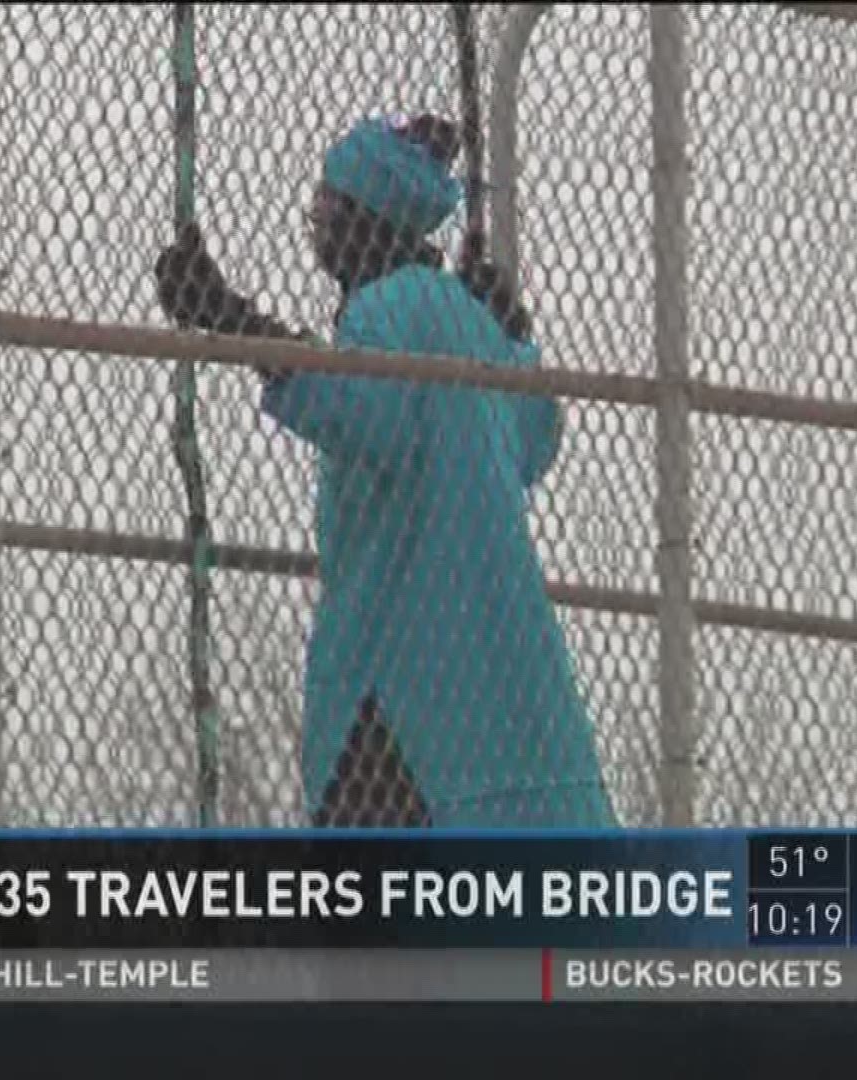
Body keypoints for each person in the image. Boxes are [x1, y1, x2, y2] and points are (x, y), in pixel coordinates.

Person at [152, 114, 617, 830]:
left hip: (403, 680)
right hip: (509, 672)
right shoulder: (466, 318)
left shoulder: (388, 309)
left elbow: (360, 406)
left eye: (331, 207)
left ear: (367, 217)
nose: (317, 224)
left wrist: (229, 317)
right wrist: (513, 334)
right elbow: (536, 436)